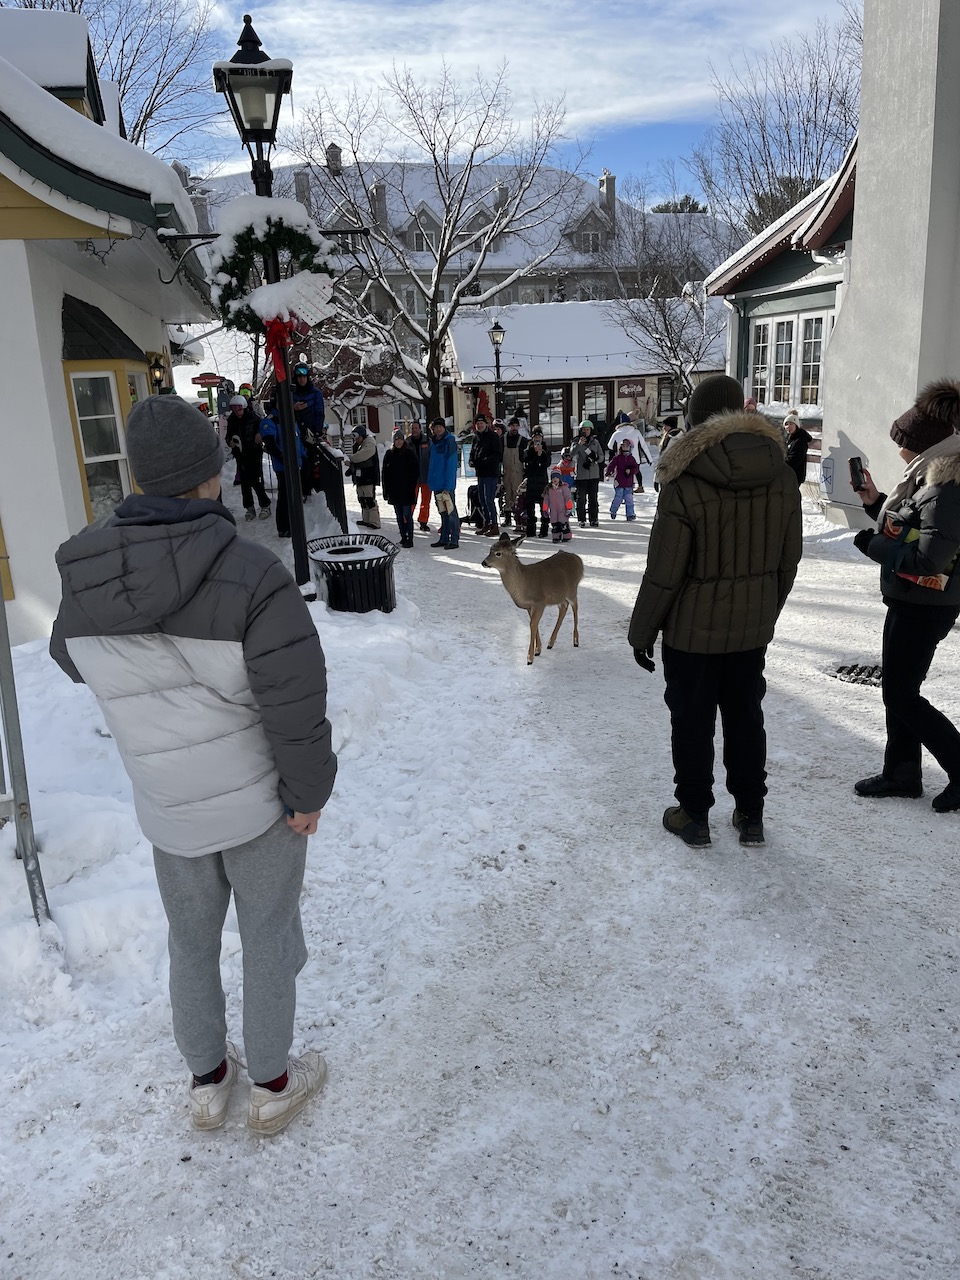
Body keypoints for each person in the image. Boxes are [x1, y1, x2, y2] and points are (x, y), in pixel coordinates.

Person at [49, 396, 336, 1135]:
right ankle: (272, 1083)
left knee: (191, 941)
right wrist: (308, 794)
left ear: (141, 481)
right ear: (210, 477)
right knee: (268, 938)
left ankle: (208, 1082)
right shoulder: (251, 574)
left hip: (168, 808)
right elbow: (295, 699)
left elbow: (70, 660)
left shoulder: (85, 577)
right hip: (255, 807)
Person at [628, 374, 802, 849]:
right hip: (750, 632)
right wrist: (765, 608)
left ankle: (695, 815)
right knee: (746, 717)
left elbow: (665, 572)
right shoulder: (782, 475)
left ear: (696, 420)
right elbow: (789, 559)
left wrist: (641, 631)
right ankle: (751, 814)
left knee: (692, 721)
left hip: (691, 635)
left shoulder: (684, 481)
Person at [850, 379, 960, 813]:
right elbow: (913, 529)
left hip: (927, 605)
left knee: (901, 693)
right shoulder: (928, 477)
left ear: (931, 445)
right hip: (910, 601)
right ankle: (902, 774)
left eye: (906, 443)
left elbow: (928, 558)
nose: (899, 450)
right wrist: (875, 502)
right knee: (898, 689)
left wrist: (871, 545)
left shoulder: (948, 488)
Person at [259, 400, 306, 539]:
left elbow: (297, 440)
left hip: (295, 464)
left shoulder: (290, 417)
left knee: (293, 496)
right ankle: (284, 527)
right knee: (285, 496)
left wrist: (304, 457)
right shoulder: (272, 420)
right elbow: (270, 444)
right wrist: (284, 458)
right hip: (284, 466)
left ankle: (292, 525)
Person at [226, 394, 271, 522]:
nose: (237, 412)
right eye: (234, 409)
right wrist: (230, 442)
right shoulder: (232, 420)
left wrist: (260, 434)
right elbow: (228, 436)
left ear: (244, 407)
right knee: (245, 483)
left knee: (256, 481)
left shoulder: (253, 418)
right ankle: (249, 508)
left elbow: (263, 429)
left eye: (239, 409)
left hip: (254, 453)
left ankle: (265, 505)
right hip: (240, 454)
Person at [382, 428, 420, 548]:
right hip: (394, 490)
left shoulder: (409, 453)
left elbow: (415, 472)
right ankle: (403, 537)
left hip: (406, 490)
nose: (399, 442)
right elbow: (385, 473)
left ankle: (410, 538)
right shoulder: (389, 454)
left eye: (400, 439)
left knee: (407, 515)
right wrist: (385, 490)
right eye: (396, 439)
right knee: (399, 515)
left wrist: (411, 487)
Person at [428, 417, 460, 549]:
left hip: (446, 485)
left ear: (444, 427)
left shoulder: (449, 441)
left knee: (451, 513)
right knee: (443, 512)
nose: (438, 429)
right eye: (436, 427)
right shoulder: (434, 442)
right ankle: (444, 537)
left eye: (440, 426)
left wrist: (448, 485)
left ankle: (454, 540)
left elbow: (451, 465)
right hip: (436, 483)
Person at [469, 415, 503, 536]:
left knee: (489, 499)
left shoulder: (493, 437)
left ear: (486, 424)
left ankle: (494, 525)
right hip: (480, 473)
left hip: (491, 472)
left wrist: (485, 460)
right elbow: (473, 451)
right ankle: (487, 523)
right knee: (482, 500)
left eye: (481, 423)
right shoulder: (476, 437)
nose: (480, 426)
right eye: (477, 424)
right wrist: (471, 460)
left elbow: (498, 454)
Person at [346, 424, 381, 529]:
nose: (356, 440)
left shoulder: (369, 444)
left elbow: (362, 457)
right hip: (361, 477)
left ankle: (375, 522)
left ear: (362, 435)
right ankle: (366, 519)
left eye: (357, 437)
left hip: (368, 477)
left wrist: (351, 460)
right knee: (362, 499)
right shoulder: (359, 446)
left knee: (369, 499)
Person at [572, 421, 604, 527]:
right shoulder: (576, 441)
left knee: (593, 498)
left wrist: (595, 458)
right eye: (584, 429)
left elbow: (601, 456)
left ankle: (593, 518)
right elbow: (571, 454)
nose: (585, 431)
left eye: (587, 429)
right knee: (581, 499)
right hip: (581, 475)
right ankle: (581, 519)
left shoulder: (595, 442)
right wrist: (578, 445)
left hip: (593, 475)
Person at [522, 434, 552, 537]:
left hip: (542, 482)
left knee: (543, 507)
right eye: (535, 437)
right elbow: (526, 462)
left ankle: (544, 529)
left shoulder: (546, 450)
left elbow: (547, 463)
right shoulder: (527, 450)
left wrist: (541, 454)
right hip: (531, 481)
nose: (537, 439)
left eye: (539, 437)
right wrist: (534, 454)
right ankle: (530, 529)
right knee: (529, 507)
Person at [406, 420, 432, 531]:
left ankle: (423, 521)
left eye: (416, 428)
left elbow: (432, 458)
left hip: (426, 476)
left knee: (425, 502)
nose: (414, 430)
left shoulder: (428, 441)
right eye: (412, 428)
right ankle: (407, 520)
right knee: (411, 501)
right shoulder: (407, 443)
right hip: (412, 477)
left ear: (420, 429)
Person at [500, 418, 527, 527]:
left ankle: (519, 518)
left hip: (518, 473)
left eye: (516, 426)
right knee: (507, 495)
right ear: (508, 427)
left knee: (518, 496)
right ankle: (507, 518)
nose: (514, 428)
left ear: (519, 427)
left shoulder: (523, 441)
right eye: (512, 426)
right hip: (506, 472)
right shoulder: (502, 440)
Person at [606, 440, 641, 520]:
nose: (624, 447)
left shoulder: (631, 459)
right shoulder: (617, 458)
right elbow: (611, 465)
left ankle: (630, 514)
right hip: (619, 481)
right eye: (623, 445)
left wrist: (630, 471)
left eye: (626, 445)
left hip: (628, 482)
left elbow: (636, 469)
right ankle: (613, 510)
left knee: (629, 499)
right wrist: (608, 472)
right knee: (618, 497)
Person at [543, 468, 574, 542]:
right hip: (553, 510)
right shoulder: (549, 489)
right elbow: (546, 500)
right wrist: (545, 509)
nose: (555, 479)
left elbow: (568, 499)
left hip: (562, 510)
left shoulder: (564, 488)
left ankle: (566, 535)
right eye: (553, 478)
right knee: (555, 524)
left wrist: (569, 508)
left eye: (557, 477)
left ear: (560, 479)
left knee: (563, 523)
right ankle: (556, 536)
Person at [783, 411, 813, 485]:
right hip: (786, 475)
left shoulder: (800, 440)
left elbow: (795, 459)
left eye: (791, 424)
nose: (788, 426)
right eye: (786, 424)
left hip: (794, 476)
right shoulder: (788, 439)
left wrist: (780, 464)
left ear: (796, 425)